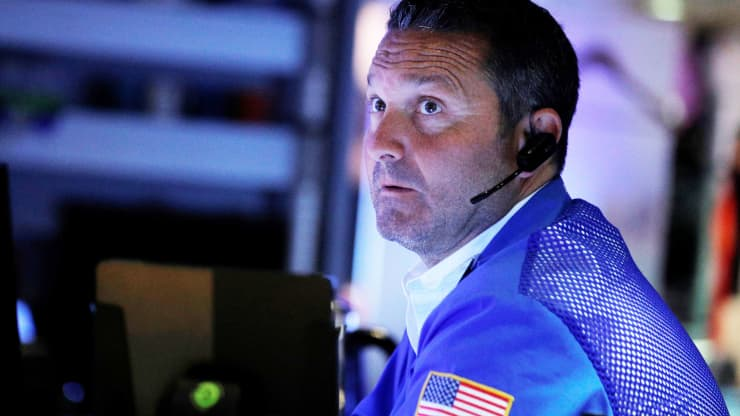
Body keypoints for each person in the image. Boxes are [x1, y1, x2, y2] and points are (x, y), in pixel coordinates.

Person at [352, 1, 730, 415]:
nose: (381, 143)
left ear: (535, 140)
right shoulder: (491, 269)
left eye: (430, 107)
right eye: (378, 104)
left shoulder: (515, 315)